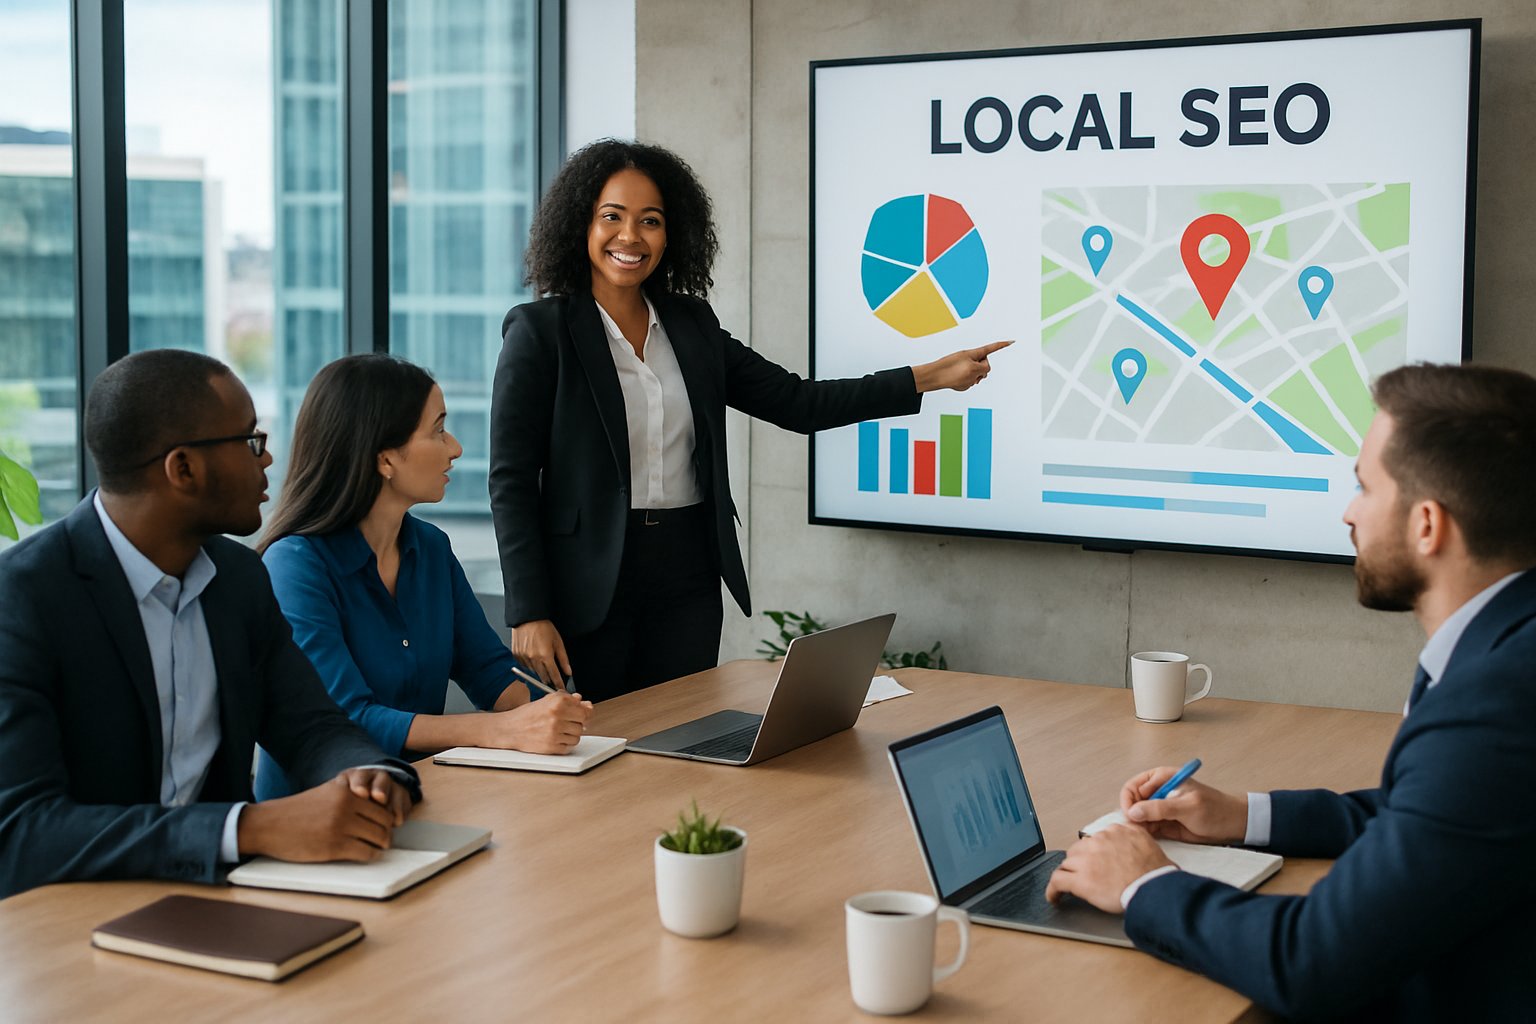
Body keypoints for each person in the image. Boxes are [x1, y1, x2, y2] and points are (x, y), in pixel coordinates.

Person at [1044, 363, 1536, 1020]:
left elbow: (1310, 961)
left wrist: (1143, 886)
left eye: (1364, 487)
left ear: (1427, 525)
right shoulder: (1508, 646)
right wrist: (1243, 815)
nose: (1348, 511)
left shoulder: (1496, 706)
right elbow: (1426, 820)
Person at [491, 138, 1010, 700]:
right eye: (611, 217)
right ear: (580, 225)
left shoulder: (691, 325)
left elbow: (798, 403)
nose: (630, 237)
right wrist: (529, 609)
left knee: (679, 739)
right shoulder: (540, 333)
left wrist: (925, 377)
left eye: (651, 221)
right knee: (595, 748)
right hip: (587, 581)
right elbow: (511, 479)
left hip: (687, 573)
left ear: (672, 233)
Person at [0, 350, 420, 899]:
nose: (268, 459)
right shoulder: (26, 596)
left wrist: (370, 776)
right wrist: (250, 827)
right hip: (78, 923)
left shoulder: (239, 578)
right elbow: (20, 834)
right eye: (250, 441)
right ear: (183, 469)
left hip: (221, 901)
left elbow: (313, 728)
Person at [253, 354, 591, 799]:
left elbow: (488, 671)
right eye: (438, 429)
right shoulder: (294, 566)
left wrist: (550, 715)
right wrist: (500, 730)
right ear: (385, 458)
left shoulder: (431, 548)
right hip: (319, 814)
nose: (455, 447)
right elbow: (349, 717)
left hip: (424, 795)